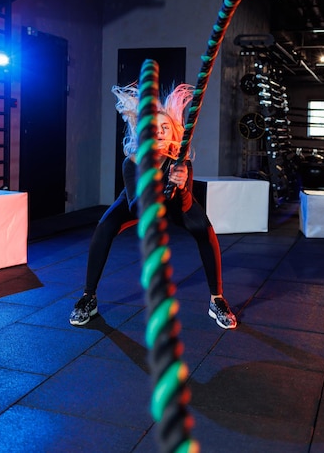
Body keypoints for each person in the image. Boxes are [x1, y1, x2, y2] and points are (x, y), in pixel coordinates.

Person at [69, 82, 237, 330]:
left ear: (172, 133)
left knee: (204, 230)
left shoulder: (180, 163)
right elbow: (138, 210)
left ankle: (217, 299)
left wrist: (179, 186)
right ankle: (88, 297)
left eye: (165, 127)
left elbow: (184, 206)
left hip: (174, 204)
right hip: (138, 202)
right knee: (104, 227)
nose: (159, 131)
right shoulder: (133, 163)